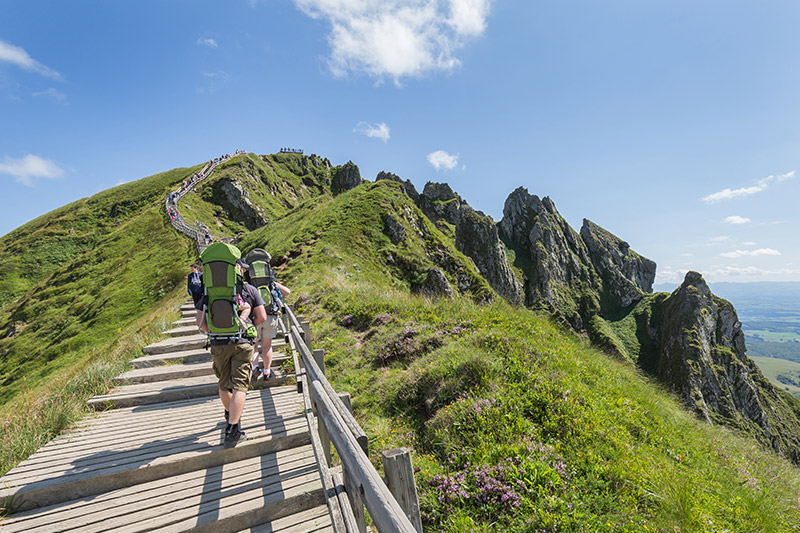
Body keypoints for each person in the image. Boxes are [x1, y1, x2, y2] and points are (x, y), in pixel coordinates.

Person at [196, 258, 266, 445]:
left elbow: (200, 324)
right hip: (243, 342)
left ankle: (230, 414)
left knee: (223, 384)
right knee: (240, 386)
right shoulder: (249, 290)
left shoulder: (208, 292)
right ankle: (233, 429)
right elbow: (262, 316)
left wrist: (217, 332)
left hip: (218, 343)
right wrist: (248, 326)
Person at [252, 277, 290, 381]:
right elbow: (287, 292)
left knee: (254, 346)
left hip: (255, 317)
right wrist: (275, 284)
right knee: (267, 346)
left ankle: (255, 368)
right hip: (271, 316)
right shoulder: (271, 283)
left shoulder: (249, 284)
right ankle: (267, 371)